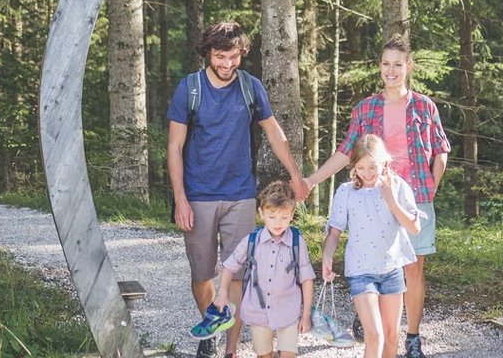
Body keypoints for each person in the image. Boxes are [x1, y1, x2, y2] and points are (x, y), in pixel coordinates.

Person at [167, 21, 308, 358]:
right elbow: (174, 147)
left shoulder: (250, 87)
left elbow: (274, 132)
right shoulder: (190, 89)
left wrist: (296, 176)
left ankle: (230, 349)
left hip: (241, 195)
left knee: (240, 274)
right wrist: (180, 199)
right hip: (199, 196)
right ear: (207, 54)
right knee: (203, 274)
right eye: (220, 57)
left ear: (242, 53)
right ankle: (210, 328)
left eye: (233, 57)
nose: (227, 64)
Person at [305, 38, 450, 358]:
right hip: (372, 198)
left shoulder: (425, 106)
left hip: (414, 199)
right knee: (374, 260)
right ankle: (371, 311)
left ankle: (412, 337)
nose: (392, 70)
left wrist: (432, 184)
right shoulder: (366, 108)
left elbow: (441, 149)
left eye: (398, 64)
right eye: (386, 64)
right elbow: (346, 153)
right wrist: (312, 180)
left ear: (408, 67)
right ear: (380, 67)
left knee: (412, 270)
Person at [321, 135, 423, 358]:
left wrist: (391, 200)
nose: (367, 173)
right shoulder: (346, 192)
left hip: (392, 270)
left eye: (372, 167)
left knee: (392, 336)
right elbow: (335, 232)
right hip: (360, 272)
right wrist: (327, 256)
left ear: (385, 163)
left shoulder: (397, 186)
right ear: (353, 167)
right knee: (374, 335)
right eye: (361, 167)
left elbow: (414, 228)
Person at [211, 181, 315, 358]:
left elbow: (307, 279)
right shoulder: (252, 241)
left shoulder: (297, 242)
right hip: (257, 312)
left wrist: (306, 315)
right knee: (264, 355)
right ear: (261, 213)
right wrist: (222, 294)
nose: (277, 223)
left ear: (292, 214)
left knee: (289, 354)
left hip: (288, 311)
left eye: (283, 217)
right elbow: (229, 266)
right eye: (272, 216)